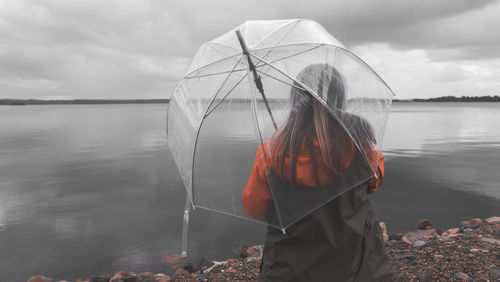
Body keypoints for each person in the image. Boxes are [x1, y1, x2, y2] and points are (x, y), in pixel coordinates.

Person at [241, 64, 394, 281]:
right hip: (357, 265)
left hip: (289, 270)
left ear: (295, 98)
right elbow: (374, 183)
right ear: (339, 97)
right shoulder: (360, 142)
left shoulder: (271, 152)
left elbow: (254, 207)